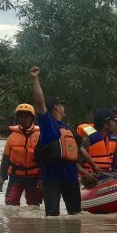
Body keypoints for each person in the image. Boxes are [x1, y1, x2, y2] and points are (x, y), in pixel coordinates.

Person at [30, 66, 91, 216]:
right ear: (56, 107)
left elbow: (71, 158)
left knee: (75, 216)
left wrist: (88, 174)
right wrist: (35, 78)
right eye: (61, 104)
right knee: (52, 217)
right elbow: (39, 103)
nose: (64, 107)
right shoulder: (48, 124)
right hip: (52, 179)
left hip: (70, 177)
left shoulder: (67, 128)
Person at [0, 103, 42, 206]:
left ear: (32, 118)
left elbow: (45, 160)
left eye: (26, 116)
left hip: (34, 177)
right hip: (16, 176)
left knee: (34, 205)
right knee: (10, 203)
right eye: (21, 117)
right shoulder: (12, 137)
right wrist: (1, 178)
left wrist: (42, 178)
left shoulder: (40, 135)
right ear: (17, 118)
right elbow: (5, 159)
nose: (24, 119)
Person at [77, 108, 117, 174]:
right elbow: (75, 163)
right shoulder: (87, 140)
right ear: (106, 125)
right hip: (87, 180)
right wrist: (87, 175)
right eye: (114, 122)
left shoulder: (114, 139)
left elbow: (116, 160)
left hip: (106, 177)